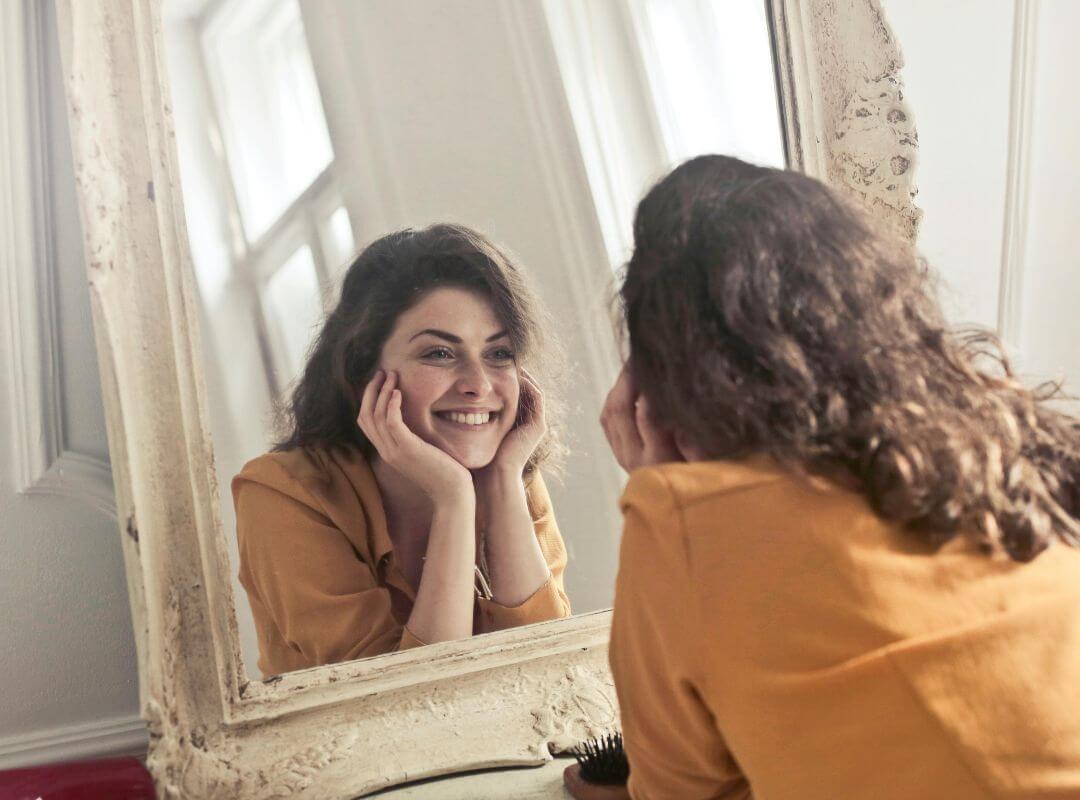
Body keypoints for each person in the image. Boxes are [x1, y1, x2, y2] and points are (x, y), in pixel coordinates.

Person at [600, 155, 1080, 799]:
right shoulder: (1006, 439)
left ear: (661, 389)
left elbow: (681, 794)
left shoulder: (687, 523)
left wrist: (659, 488)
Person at [233, 224, 571, 677]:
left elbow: (550, 672)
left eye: (499, 353)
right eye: (438, 353)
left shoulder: (510, 474)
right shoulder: (282, 493)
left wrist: (503, 485)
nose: (478, 385)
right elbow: (401, 704)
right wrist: (453, 499)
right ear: (363, 373)